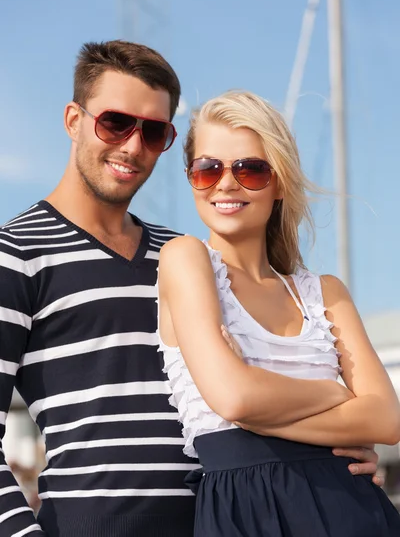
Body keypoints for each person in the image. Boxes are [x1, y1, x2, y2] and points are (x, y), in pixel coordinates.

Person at [0, 42, 383, 537]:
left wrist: (331, 452)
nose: (133, 146)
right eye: (115, 123)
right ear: (73, 119)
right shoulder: (14, 254)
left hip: (220, 520)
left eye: (154, 131)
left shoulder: (191, 257)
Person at [157, 90, 400, 536]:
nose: (226, 183)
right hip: (244, 511)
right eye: (208, 169)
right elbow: (235, 400)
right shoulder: (184, 259)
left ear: (280, 182)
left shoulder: (324, 292)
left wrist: (258, 412)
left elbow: (386, 420)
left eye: (250, 169)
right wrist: (338, 398)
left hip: (352, 508)